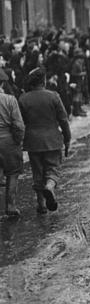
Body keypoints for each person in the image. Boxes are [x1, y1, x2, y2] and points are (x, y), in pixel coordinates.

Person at [19, 68, 71, 214]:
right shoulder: (53, 96)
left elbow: (20, 122)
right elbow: (63, 120)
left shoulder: (23, 99)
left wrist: (19, 141)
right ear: (44, 81)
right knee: (52, 169)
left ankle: (41, 204)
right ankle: (49, 186)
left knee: (37, 172)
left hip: (33, 142)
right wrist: (67, 139)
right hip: (52, 140)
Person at [0, 76, 25, 217]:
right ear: (2, 83)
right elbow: (18, 124)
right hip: (7, 140)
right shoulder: (10, 99)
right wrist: (18, 140)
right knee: (13, 173)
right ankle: (10, 206)